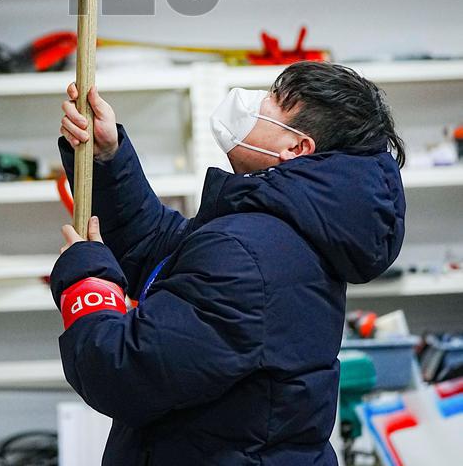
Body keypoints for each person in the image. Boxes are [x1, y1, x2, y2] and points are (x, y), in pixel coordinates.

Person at [49, 61, 406, 466]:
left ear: (297, 148)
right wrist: (108, 160)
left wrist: (86, 282)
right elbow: (164, 253)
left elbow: (122, 373)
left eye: (273, 101)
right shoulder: (277, 231)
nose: (253, 102)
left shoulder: (250, 254)